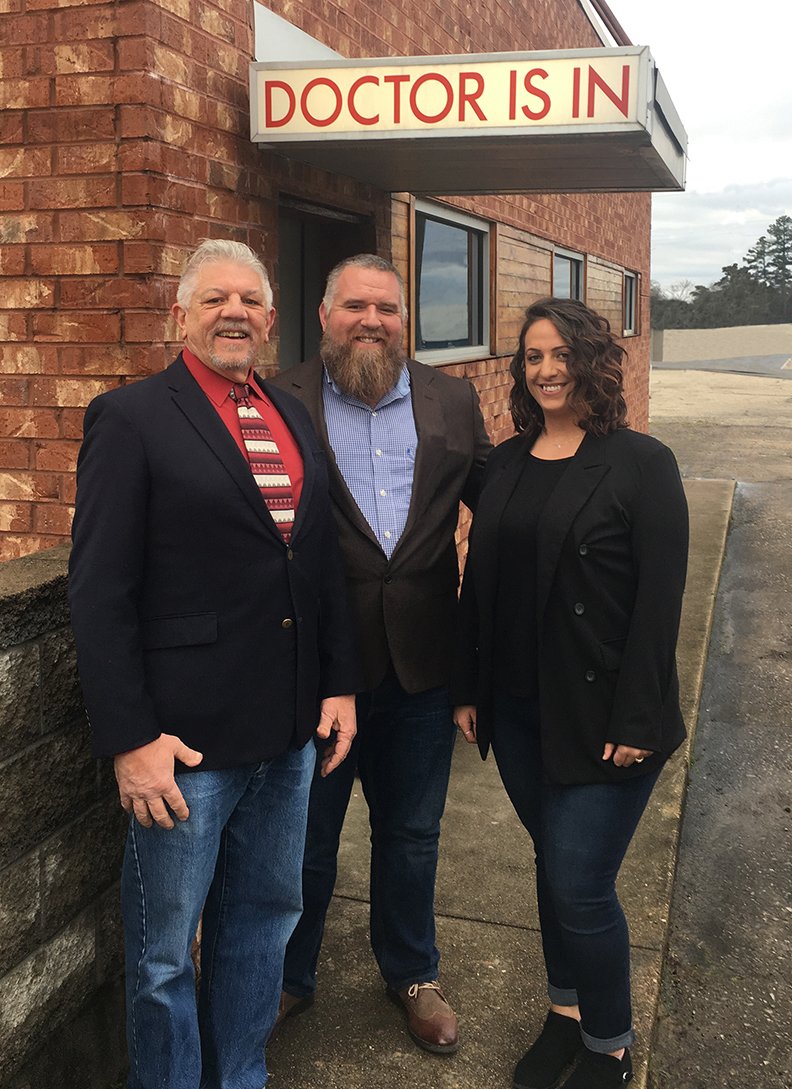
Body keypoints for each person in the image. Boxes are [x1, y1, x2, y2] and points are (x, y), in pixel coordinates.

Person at [68, 239, 361, 1089]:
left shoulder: (291, 414)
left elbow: (315, 562)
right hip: (181, 746)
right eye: (213, 299)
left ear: (271, 319)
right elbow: (99, 590)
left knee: (263, 924)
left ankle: (239, 1076)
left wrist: (337, 679)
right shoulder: (130, 417)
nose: (234, 312)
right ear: (180, 315)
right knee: (163, 954)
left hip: (288, 735)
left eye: (249, 300)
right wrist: (130, 737)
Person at [452, 297, 688, 1089]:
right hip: (518, 712)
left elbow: (660, 605)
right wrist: (468, 685)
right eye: (532, 357)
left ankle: (610, 1044)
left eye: (560, 355)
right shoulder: (509, 463)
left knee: (582, 884)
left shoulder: (642, 464)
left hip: (605, 718)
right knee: (552, 867)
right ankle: (565, 1015)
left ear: (590, 360)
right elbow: (481, 583)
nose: (546, 370)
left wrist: (640, 717)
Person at [269, 253, 492, 1054]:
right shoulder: (277, 398)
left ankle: (412, 971)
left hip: (423, 669)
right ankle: (289, 977)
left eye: (387, 308)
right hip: (316, 668)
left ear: (407, 319)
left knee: (412, 833)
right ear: (324, 315)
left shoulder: (453, 400)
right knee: (304, 837)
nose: (372, 320)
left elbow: (502, 514)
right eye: (355, 305)